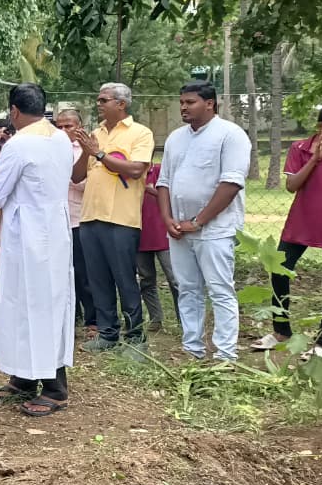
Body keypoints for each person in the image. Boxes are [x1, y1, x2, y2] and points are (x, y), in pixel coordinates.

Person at [0, 83, 75, 417]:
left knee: (35, 305)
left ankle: (55, 388)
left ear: (15, 111)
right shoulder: (61, 138)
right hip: (53, 231)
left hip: (27, 235)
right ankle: (23, 377)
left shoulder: (18, 144)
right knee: (33, 303)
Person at [156, 82, 251, 362]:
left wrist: (198, 222)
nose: (183, 107)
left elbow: (231, 184)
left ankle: (225, 354)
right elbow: (164, 182)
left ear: (210, 104)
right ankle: (192, 348)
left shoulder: (230, 135)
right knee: (187, 289)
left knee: (220, 290)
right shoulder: (176, 138)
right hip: (179, 230)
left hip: (215, 230)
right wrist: (168, 219)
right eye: (181, 102)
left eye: (190, 102)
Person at [253, 103, 322, 353]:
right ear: (321, 127)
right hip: (302, 223)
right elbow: (292, 186)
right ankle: (281, 330)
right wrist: (316, 160)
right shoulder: (300, 148)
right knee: (279, 270)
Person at [72, 83, 154, 354]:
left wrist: (99, 153)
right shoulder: (95, 134)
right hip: (90, 217)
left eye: (103, 100)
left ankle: (135, 337)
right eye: (98, 99)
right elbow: (76, 176)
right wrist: (87, 150)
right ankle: (107, 333)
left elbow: (136, 169)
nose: (98, 104)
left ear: (121, 104)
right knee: (98, 280)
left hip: (121, 219)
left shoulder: (140, 133)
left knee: (124, 279)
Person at [54, 108, 96, 334]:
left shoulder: (88, 151)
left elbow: (85, 184)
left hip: (79, 219)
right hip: (56, 220)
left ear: (79, 127)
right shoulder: (50, 149)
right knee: (59, 271)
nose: (63, 130)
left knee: (83, 273)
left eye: (68, 126)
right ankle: (69, 317)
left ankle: (92, 320)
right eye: (59, 126)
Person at [138, 160, 180, 333]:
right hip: (140, 235)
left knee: (175, 279)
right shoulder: (130, 174)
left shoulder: (160, 171)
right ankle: (155, 319)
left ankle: (184, 319)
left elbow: (173, 197)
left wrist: (152, 191)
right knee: (146, 279)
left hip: (163, 235)